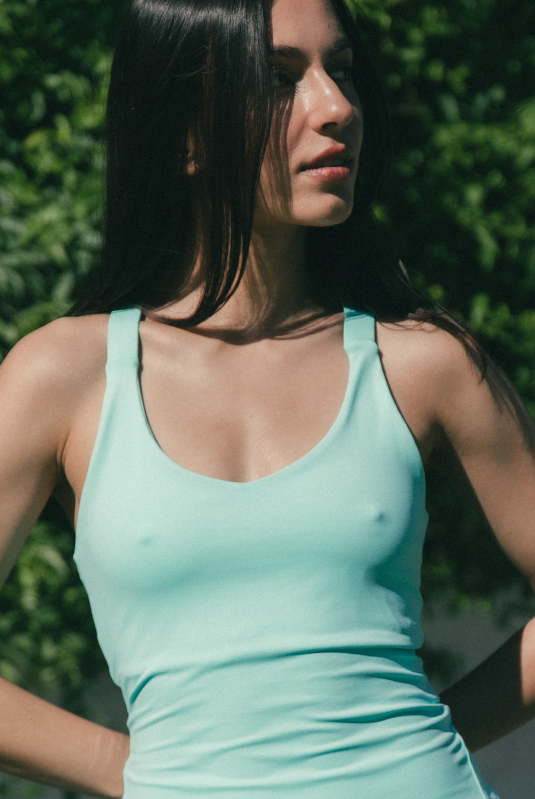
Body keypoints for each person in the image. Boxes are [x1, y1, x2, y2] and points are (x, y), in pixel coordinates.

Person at [0, 0, 534, 796]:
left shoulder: (424, 365)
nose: (338, 107)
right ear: (183, 134)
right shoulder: (63, 375)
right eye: (280, 79)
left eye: (341, 70)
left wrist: (427, 733)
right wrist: (130, 769)